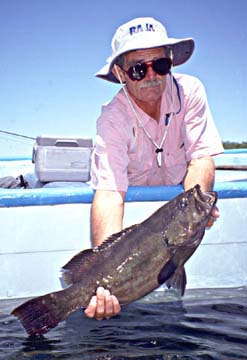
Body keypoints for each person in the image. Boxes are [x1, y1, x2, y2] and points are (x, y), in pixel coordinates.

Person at [84, 17, 224, 320]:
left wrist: (193, 211)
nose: (151, 75)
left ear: (171, 62)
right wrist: (102, 278)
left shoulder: (191, 92)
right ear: (121, 73)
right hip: (138, 232)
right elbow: (110, 193)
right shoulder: (111, 119)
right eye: (138, 68)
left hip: (172, 224)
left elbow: (201, 158)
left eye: (159, 65)